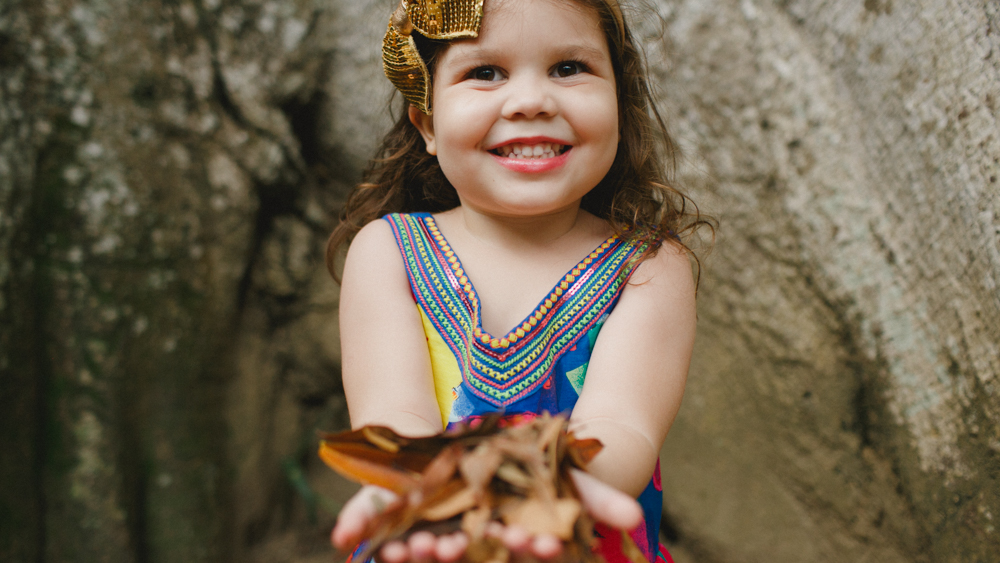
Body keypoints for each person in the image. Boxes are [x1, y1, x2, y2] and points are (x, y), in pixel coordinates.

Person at [326, 0, 711, 561]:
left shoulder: (648, 268)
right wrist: (431, 493)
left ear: (620, 107)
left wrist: (544, 493)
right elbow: (395, 420)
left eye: (568, 68)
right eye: (485, 73)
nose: (531, 101)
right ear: (428, 123)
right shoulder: (387, 253)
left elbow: (621, 427)